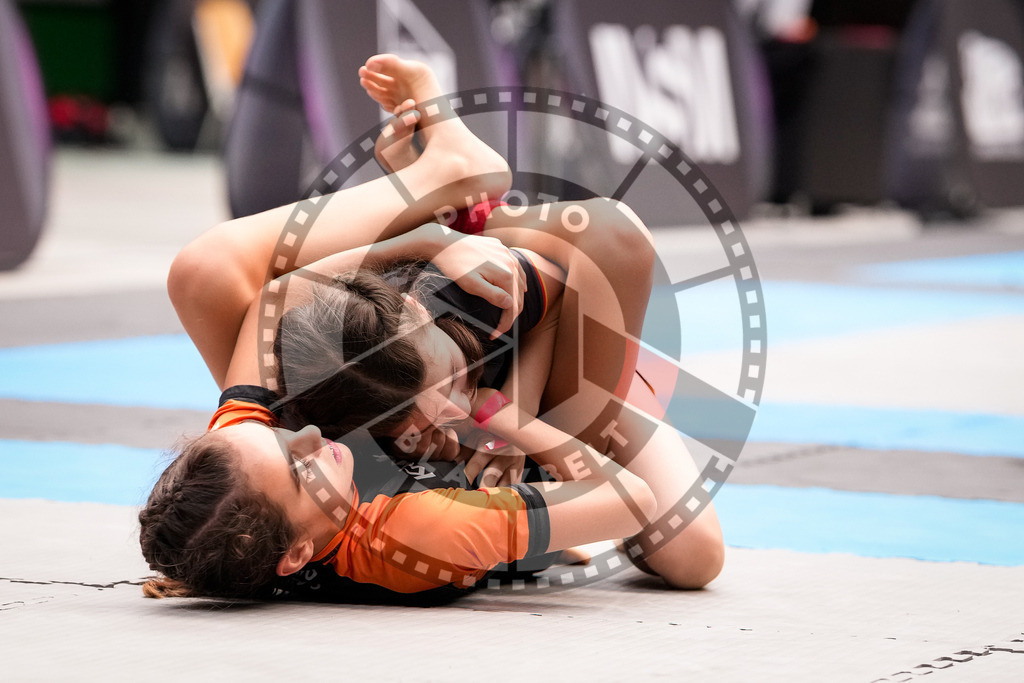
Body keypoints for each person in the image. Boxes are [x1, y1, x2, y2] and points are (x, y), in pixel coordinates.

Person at [139, 55, 723, 601]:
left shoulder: (255, 451)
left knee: (203, 272)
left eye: (279, 432)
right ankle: (475, 220)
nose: (310, 433)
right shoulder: (412, 532)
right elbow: (628, 500)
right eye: (299, 465)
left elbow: (275, 297)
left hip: (460, 352)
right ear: (292, 556)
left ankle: (446, 186)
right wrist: (506, 421)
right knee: (692, 556)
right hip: (515, 405)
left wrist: (428, 241)